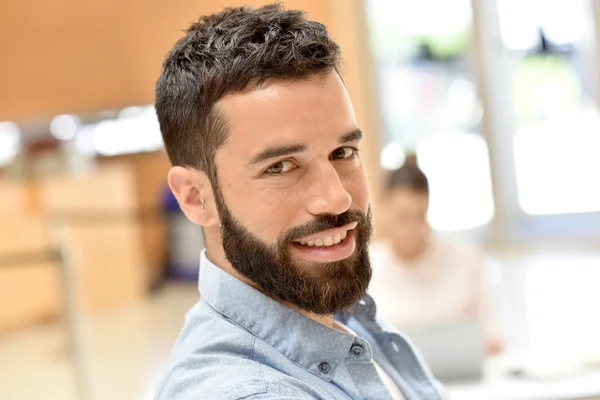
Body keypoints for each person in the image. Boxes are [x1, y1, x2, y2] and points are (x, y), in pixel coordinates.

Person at [153, 4, 446, 400]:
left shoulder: (338, 317)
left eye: (343, 152)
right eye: (280, 167)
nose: (337, 197)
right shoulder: (245, 391)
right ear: (195, 198)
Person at [369, 154, 505, 356]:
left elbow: (495, 337)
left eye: (420, 215)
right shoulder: (366, 267)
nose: (412, 228)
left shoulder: (466, 257)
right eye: (403, 217)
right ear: (383, 209)